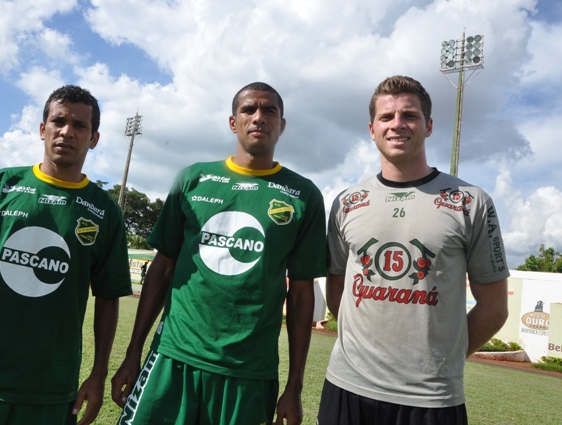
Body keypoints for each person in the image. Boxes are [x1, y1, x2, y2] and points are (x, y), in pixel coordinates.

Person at [111, 82, 327, 424]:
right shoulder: (194, 179)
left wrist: (295, 385)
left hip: (249, 373)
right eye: (249, 109)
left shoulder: (303, 195)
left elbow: (301, 293)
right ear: (233, 122)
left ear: (282, 125)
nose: (259, 117)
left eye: (269, 111)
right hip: (174, 356)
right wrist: (133, 351)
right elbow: (162, 268)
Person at [0, 85, 133, 425]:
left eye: (80, 125)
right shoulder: (2, 185)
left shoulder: (105, 211)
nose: (67, 131)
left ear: (94, 138)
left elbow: (109, 297)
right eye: (58, 121)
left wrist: (98, 374)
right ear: (42, 129)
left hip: (49, 388)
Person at [318, 75, 510, 425]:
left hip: (432, 398)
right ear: (372, 129)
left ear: (429, 126)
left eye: (409, 115)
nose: (397, 124)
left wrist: (442, 360)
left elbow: (494, 308)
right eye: (386, 117)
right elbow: (337, 290)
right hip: (347, 385)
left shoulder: (470, 202)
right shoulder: (347, 202)